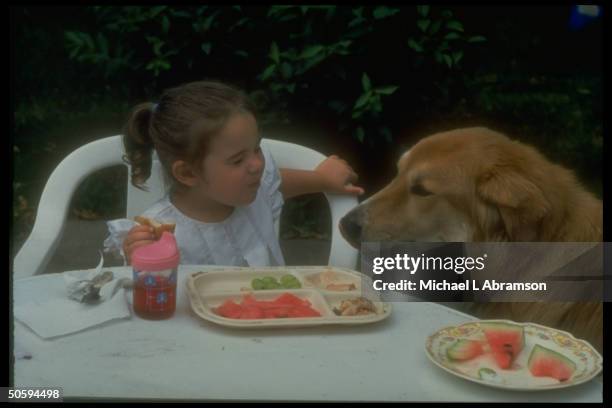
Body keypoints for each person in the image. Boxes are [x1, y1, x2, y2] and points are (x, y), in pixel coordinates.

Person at [104, 80, 364, 267]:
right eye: (238, 160)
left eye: (257, 149)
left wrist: (323, 179)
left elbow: (278, 184)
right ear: (187, 173)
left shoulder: (256, 190)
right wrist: (140, 257)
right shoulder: (158, 233)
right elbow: (143, 304)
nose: (256, 165)